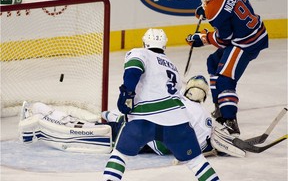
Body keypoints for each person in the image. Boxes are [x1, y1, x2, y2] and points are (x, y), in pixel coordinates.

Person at [19, 75, 245, 158]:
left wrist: (116, 116)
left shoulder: (177, 100)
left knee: (100, 129)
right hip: (161, 144)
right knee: (107, 126)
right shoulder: (206, 117)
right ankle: (44, 113)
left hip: (153, 139)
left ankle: (42, 113)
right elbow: (206, 144)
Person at [103, 28, 220, 181]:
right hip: (177, 121)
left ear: (144, 43)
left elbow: (133, 70)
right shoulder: (172, 67)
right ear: (164, 45)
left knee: (120, 156)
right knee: (197, 162)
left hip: (144, 119)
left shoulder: (140, 52)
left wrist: (127, 94)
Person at [186, 0, 269, 136]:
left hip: (245, 43)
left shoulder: (215, 11)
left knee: (225, 80)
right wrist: (206, 7)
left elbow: (224, 40)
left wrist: (202, 38)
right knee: (213, 62)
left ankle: (231, 123)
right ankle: (220, 109)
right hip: (253, 31)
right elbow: (225, 8)